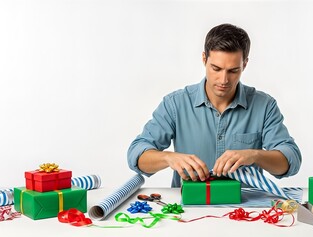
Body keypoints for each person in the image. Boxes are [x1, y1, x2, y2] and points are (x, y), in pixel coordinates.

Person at [127, 23, 301, 187]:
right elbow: (136, 155)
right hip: (189, 209)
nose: (224, 80)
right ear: (204, 59)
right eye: (216, 68)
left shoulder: (264, 106)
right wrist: (168, 158)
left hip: (246, 209)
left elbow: (290, 160)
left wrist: (254, 155)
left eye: (233, 71)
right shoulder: (175, 104)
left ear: (245, 64)